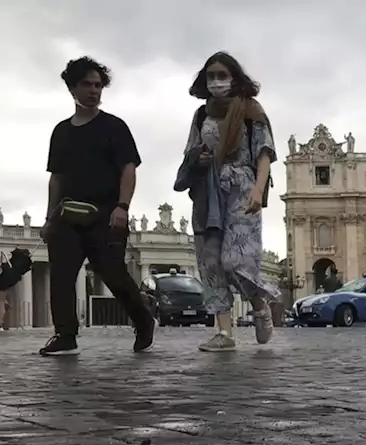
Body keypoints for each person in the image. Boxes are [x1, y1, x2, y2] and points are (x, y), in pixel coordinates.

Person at [40, 56, 155, 356]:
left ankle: (143, 321)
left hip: (106, 213)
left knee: (113, 273)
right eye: (87, 84)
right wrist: (49, 217)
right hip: (67, 214)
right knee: (62, 275)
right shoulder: (61, 131)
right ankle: (65, 334)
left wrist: (123, 207)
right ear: (72, 88)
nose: (94, 90)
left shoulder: (114, 127)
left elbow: (129, 169)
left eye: (98, 85)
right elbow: (57, 177)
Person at [176, 52, 281, 353]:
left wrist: (258, 192)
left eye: (222, 75)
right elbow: (189, 151)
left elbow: (265, 154)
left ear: (234, 77)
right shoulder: (200, 115)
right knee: (210, 261)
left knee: (235, 261)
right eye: (211, 76)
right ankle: (224, 331)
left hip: (242, 187)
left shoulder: (251, 111)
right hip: (208, 191)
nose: (216, 81)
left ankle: (260, 307)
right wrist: (199, 159)